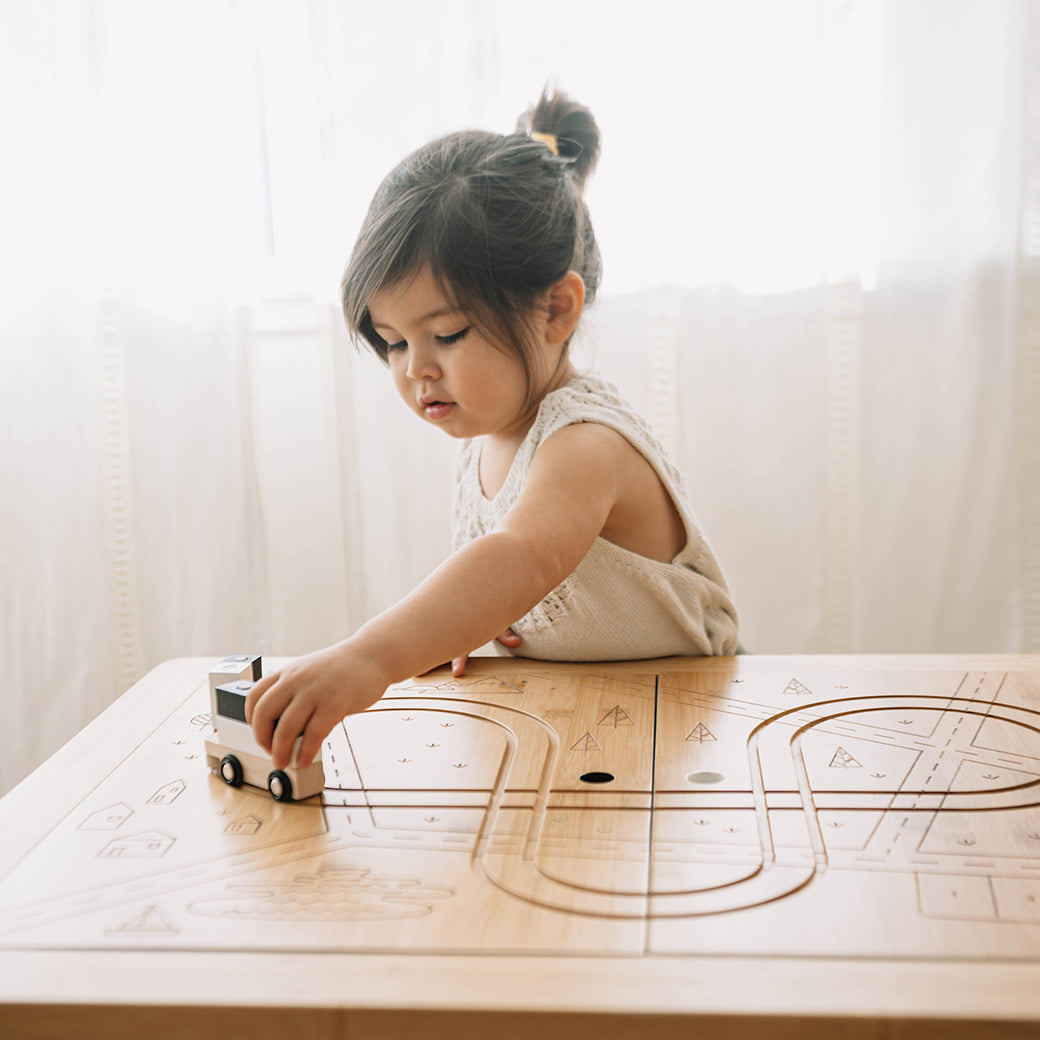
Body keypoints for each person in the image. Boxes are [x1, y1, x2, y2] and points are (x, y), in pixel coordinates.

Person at [246, 89, 738, 772]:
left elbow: (522, 557)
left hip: (683, 724)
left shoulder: (586, 444)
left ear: (556, 310)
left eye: (446, 334)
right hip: (574, 712)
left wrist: (372, 655)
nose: (417, 369)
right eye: (392, 344)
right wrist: (469, 623)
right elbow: (500, 582)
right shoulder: (491, 433)